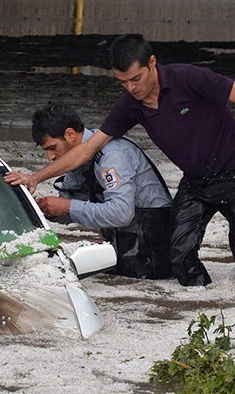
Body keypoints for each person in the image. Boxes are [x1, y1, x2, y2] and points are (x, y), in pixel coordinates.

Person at [6, 34, 235, 293]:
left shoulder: (189, 78)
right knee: (178, 256)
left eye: (135, 79)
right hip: (196, 182)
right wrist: (37, 176)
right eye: (122, 82)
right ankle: (205, 304)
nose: (131, 88)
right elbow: (85, 151)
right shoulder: (130, 104)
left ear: (152, 63)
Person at [29, 103, 175, 279]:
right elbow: (73, 202)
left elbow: (121, 214)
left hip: (152, 250)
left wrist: (67, 206)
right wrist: (46, 210)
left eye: (52, 148)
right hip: (126, 246)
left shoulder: (112, 155)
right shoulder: (79, 160)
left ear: (70, 135)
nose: (50, 157)